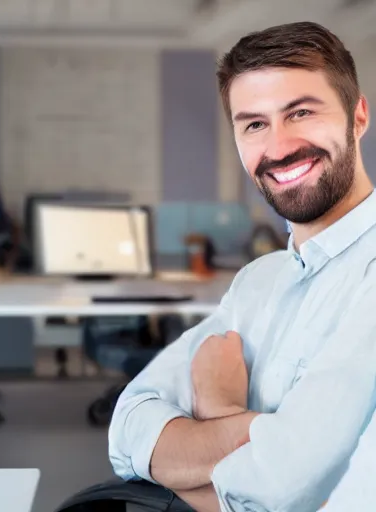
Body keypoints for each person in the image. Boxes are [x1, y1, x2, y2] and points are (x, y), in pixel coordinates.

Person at [109, 21, 376, 512]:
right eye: (254, 124)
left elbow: (288, 491)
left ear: (358, 116)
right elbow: (128, 427)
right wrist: (258, 443)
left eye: (300, 112)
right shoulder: (258, 281)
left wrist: (216, 410)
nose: (278, 147)